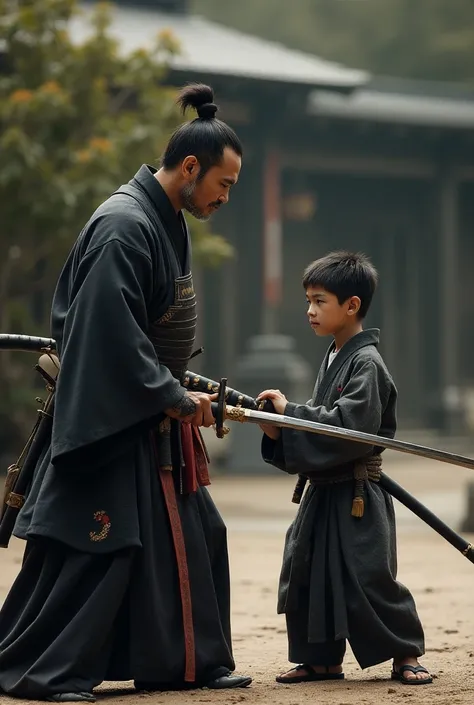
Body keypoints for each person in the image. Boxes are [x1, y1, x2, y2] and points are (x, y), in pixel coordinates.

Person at [0, 83, 252, 701]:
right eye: (223, 184)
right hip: (114, 407)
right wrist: (166, 392)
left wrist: (182, 387)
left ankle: (188, 663)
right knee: (103, 540)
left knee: (196, 534)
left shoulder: (167, 218)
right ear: (190, 168)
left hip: (149, 405)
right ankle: (47, 671)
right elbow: (108, 335)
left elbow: (150, 323)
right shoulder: (123, 224)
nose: (224, 197)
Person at [257, 251, 432, 687]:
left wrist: (291, 415)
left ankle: (405, 652)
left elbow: (350, 428)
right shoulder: (336, 354)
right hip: (324, 490)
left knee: (366, 577)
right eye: (308, 301)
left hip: (357, 494)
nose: (310, 311)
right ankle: (319, 659)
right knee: (306, 569)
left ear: (351, 306)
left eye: (320, 301)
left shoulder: (367, 362)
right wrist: (279, 424)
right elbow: (322, 417)